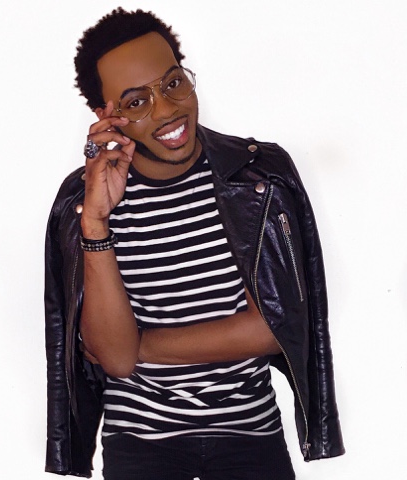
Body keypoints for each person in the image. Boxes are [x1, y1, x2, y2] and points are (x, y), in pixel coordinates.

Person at [44, 7, 344, 480]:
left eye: (172, 83)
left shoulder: (256, 178)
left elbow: (271, 327)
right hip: (140, 442)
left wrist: (139, 347)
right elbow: (114, 361)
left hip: (251, 435)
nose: (167, 109)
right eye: (136, 102)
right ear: (106, 118)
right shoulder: (84, 204)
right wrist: (97, 223)